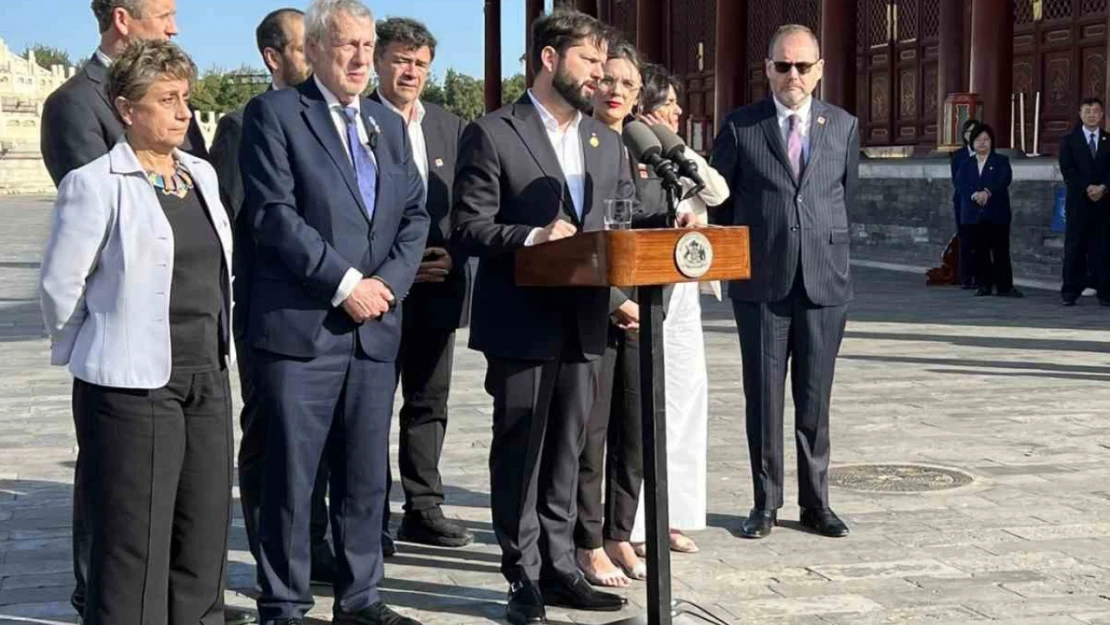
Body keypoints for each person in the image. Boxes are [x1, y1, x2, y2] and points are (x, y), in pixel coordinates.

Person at [39, 4, 240, 621]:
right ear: (128, 110)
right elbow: (59, 288)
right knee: (134, 543)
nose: (184, 112)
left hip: (206, 373)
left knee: (203, 527)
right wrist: (98, 347)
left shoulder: (201, 175)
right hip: (131, 384)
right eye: (168, 100)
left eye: (186, 98)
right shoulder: (97, 183)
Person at [238, 0, 428, 623]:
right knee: (292, 478)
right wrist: (345, 282)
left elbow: (414, 217)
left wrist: (387, 286)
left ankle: (360, 597)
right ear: (315, 49)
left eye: (366, 44)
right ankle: (286, 603)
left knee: (365, 473)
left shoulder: (388, 124)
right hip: (303, 332)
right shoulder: (274, 115)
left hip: (374, 330)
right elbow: (274, 216)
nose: (358, 57)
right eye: (345, 44)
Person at [451, 10, 632, 625]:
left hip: (585, 319)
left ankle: (560, 566)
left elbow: (617, 229)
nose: (599, 76)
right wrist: (532, 235)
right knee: (523, 449)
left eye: (603, 65)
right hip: (521, 321)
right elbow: (468, 226)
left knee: (569, 451)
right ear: (550, 60)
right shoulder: (493, 131)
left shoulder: (606, 140)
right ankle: (521, 573)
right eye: (588, 61)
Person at [208, 7, 342, 586]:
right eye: (304, 47)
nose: (317, 58)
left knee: (323, 438)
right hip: (274, 308)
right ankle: (276, 556)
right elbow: (238, 225)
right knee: (272, 436)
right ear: (274, 57)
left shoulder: (339, 120)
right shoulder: (243, 124)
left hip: (333, 306)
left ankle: (314, 544)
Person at [710, 24, 857, 540]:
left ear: (819, 69)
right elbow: (720, 203)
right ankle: (765, 503)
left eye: (802, 66)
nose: (792, 75)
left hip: (823, 284)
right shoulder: (740, 127)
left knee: (815, 400)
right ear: (767, 68)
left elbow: (843, 197)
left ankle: (816, 504)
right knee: (765, 398)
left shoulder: (842, 125)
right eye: (782, 65)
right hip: (762, 285)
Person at [368, 16, 474, 552]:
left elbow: (470, 204)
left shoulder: (449, 127)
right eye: (401, 60)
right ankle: (368, 514)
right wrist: (399, 267)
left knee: (429, 399)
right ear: (378, 62)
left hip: (438, 285)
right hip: (377, 291)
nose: (411, 72)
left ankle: (423, 505)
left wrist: (452, 255)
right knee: (370, 402)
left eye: (421, 63)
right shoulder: (357, 120)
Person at [629, 63, 729, 556]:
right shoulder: (628, 149)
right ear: (643, 107)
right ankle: (637, 520)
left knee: (686, 401)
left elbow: (718, 191)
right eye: (668, 103)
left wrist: (676, 145)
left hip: (685, 287)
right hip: (644, 293)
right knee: (647, 404)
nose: (679, 110)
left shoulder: (673, 154)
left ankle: (674, 514)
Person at [573, 39, 652, 589]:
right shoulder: (576, 143)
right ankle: (588, 539)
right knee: (592, 432)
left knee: (635, 425)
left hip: (644, 304)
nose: (617, 91)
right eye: (609, 80)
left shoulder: (651, 149)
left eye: (628, 84)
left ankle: (621, 530)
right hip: (592, 305)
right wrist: (613, 299)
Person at [41, 0, 208, 187]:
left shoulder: (177, 95)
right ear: (121, 20)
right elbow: (96, 197)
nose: (173, 29)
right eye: (163, 16)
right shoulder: (72, 104)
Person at [957, 124, 1021, 298]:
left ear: (992, 142)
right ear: (972, 143)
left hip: (997, 212)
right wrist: (974, 194)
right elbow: (961, 183)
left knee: (1000, 250)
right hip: (974, 213)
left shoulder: (1001, 161)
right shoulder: (966, 164)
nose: (982, 143)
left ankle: (1005, 287)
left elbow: (1004, 180)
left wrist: (987, 192)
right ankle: (984, 285)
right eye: (978, 140)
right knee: (980, 251)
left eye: (986, 139)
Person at [1059, 97, 1110, 306]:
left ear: (1102, 115)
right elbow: (1067, 169)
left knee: (1104, 247)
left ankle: (1105, 291)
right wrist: (1087, 187)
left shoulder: (1109, 139)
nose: (1092, 115)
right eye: (1087, 111)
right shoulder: (1069, 140)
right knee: (1075, 246)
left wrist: (1104, 187)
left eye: (1096, 111)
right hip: (1078, 202)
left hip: (1104, 202)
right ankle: (1070, 291)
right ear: (1080, 115)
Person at [950, 119, 980, 289]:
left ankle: (981, 275)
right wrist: (972, 194)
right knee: (966, 240)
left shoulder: (986, 153)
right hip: (963, 202)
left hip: (983, 202)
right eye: (969, 132)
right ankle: (966, 277)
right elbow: (957, 180)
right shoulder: (958, 156)